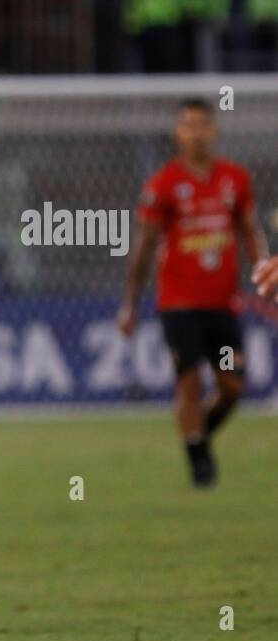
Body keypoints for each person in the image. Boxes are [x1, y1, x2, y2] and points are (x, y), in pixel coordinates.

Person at [117, 98, 270, 487]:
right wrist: (131, 303)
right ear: (178, 133)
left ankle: (196, 440)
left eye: (203, 124)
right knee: (188, 382)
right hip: (179, 306)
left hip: (222, 305)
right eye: (189, 125)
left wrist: (263, 268)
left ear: (214, 131)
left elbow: (249, 229)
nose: (197, 132)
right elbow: (145, 248)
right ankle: (200, 463)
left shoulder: (234, 179)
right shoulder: (163, 185)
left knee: (232, 384)